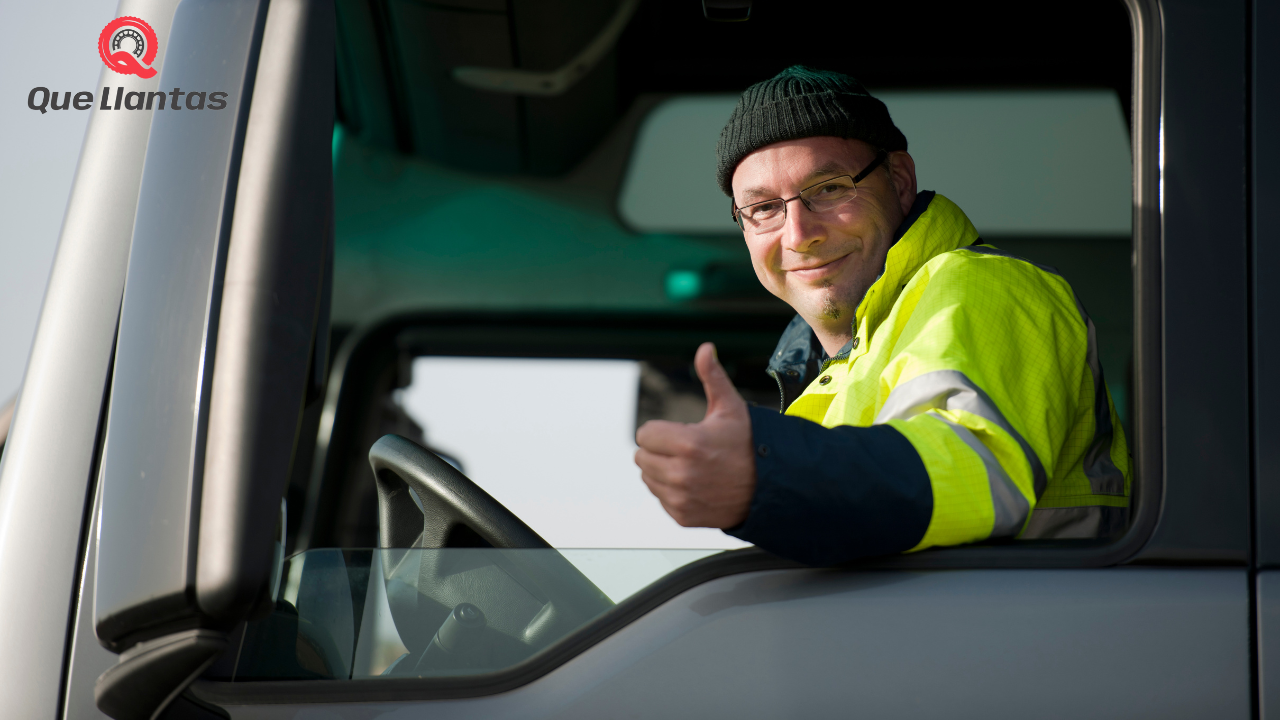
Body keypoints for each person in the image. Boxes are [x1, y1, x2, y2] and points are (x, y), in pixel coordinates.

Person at [633, 66, 1131, 566]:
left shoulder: (980, 285)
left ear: (899, 181)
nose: (798, 234)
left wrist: (763, 472)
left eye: (829, 188)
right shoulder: (835, 368)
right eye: (763, 208)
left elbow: (971, 462)